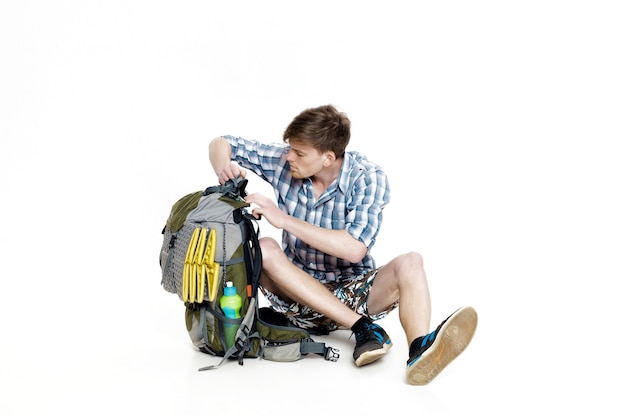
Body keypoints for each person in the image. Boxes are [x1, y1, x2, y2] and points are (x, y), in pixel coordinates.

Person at [208, 104, 477, 385]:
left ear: (328, 158)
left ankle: (420, 351)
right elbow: (221, 143)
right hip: (297, 295)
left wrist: (283, 219)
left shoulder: (367, 177)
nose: (289, 156)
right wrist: (224, 169)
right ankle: (362, 329)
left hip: (354, 293)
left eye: (299, 153)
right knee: (262, 247)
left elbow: (354, 248)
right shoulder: (284, 161)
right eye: (290, 148)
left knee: (412, 261)